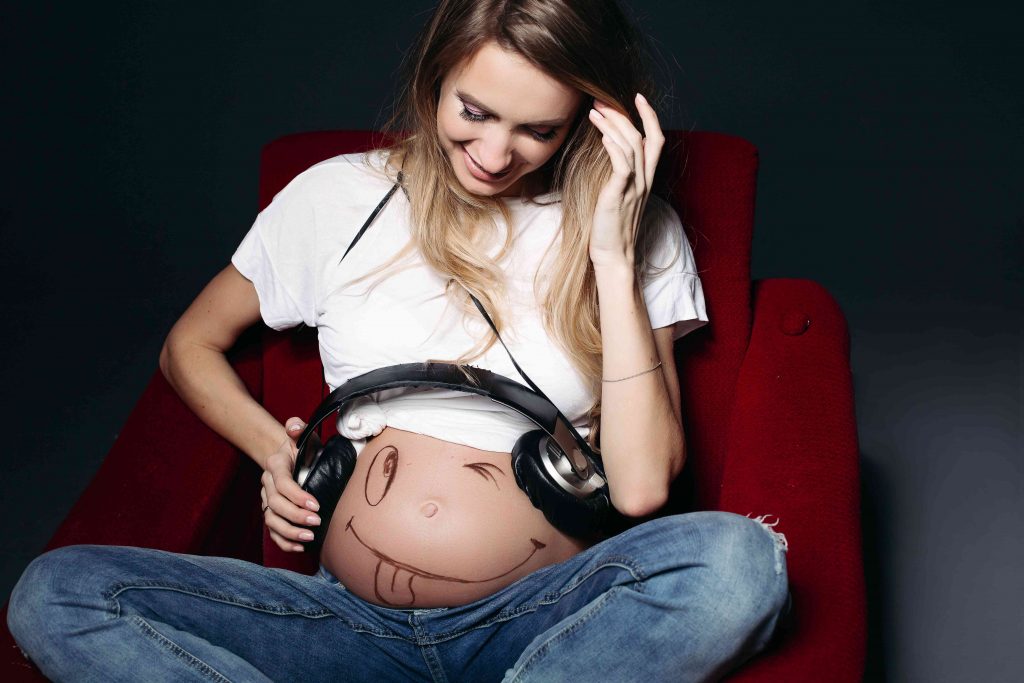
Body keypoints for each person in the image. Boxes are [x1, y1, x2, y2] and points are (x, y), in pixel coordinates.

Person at [7, 0, 791, 680]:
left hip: (544, 622)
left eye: (537, 130)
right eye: (474, 112)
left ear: (593, 120)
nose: (493, 155)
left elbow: (644, 489)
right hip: (338, 627)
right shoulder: (337, 195)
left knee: (738, 566)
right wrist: (277, 454)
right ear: (434, 79)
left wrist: (614, 257)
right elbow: (189, 345)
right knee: (57, 594)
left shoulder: (636, 231)